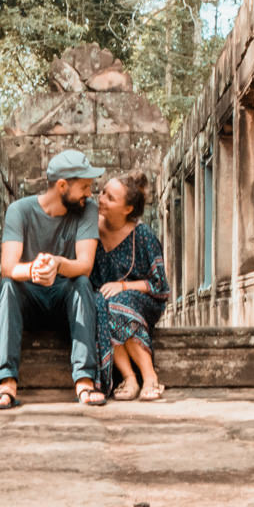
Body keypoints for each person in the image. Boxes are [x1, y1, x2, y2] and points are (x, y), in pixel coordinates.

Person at [0, 149, 107, 409]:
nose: (90, 193)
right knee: (8, 287)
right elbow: (8, 267)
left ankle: (84, 380)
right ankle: (6, 384)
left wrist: (58, 264)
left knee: (83, 284)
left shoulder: (88, 210)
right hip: (30, 299)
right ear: (62, 186)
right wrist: (35, 270)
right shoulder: (19, 210)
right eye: (85, 187)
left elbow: (85, 266)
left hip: (65, 298)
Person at [93, 171, 170, 401]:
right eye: (103, 192)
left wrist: (124, 287)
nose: (101, 199)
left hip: (142, 300)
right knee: (101, 303)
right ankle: (129, 378)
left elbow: (160, 286)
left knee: (118, 303)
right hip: (105, 299)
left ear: (127, 209)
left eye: (110, 198)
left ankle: (149, 376)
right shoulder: (90, 230)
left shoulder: (143, 235)